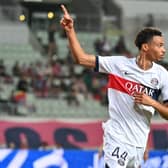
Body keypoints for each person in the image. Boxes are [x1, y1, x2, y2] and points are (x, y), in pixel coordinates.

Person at [60, 5, 168, 168]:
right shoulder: (118, 64)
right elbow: (81, 59)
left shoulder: (162, 75)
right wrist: (70, 31)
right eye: (159, 45)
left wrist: (152, 102)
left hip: (139, 144)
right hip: (117, 139)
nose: (164, 50)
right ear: (145, 47)